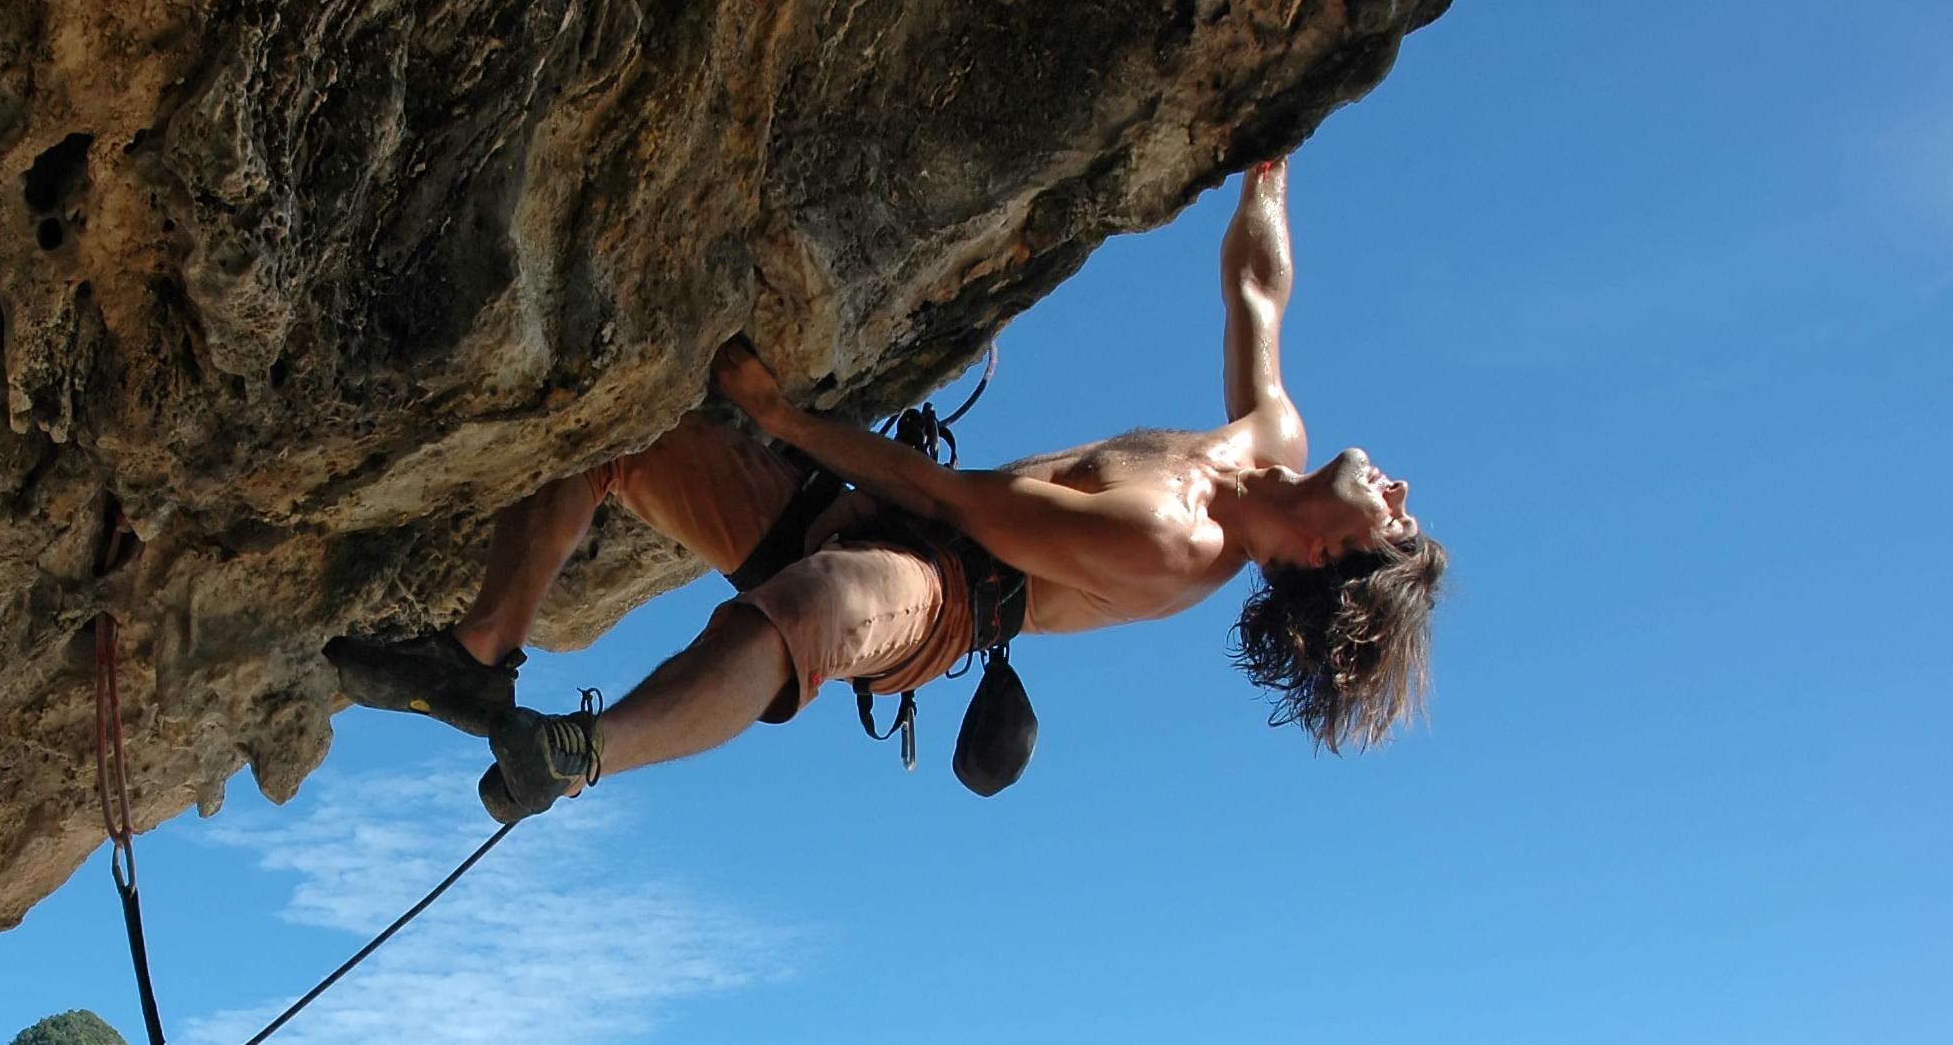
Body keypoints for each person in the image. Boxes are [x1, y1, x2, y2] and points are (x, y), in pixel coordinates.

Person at [326, 159, 1444, 823]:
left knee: (814, 604)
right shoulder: (1271, 433)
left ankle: (578, 753)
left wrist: (777, 422)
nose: (1395, 487)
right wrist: (1271, 167)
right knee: (621, 433)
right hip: (876, 519)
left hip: (938, 594)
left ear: (1316, 557)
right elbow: (1256, 286)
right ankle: (473, 664)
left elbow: (955, 505)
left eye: (1389, 521)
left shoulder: (1166, 543)